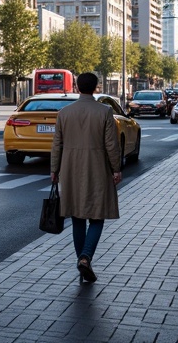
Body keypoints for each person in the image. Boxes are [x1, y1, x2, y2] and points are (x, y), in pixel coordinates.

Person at [50, 72, 121, 284]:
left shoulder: (64, 113)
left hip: (70, 169)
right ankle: (85, 257)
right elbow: (111, 144)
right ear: (96, 87)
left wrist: (54, 169)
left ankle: (83, 260)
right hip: (97, 168)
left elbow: (57, 144)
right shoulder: (105, 112)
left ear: (78, 87)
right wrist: (116, 168)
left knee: (77, 217)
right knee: (97, 217)